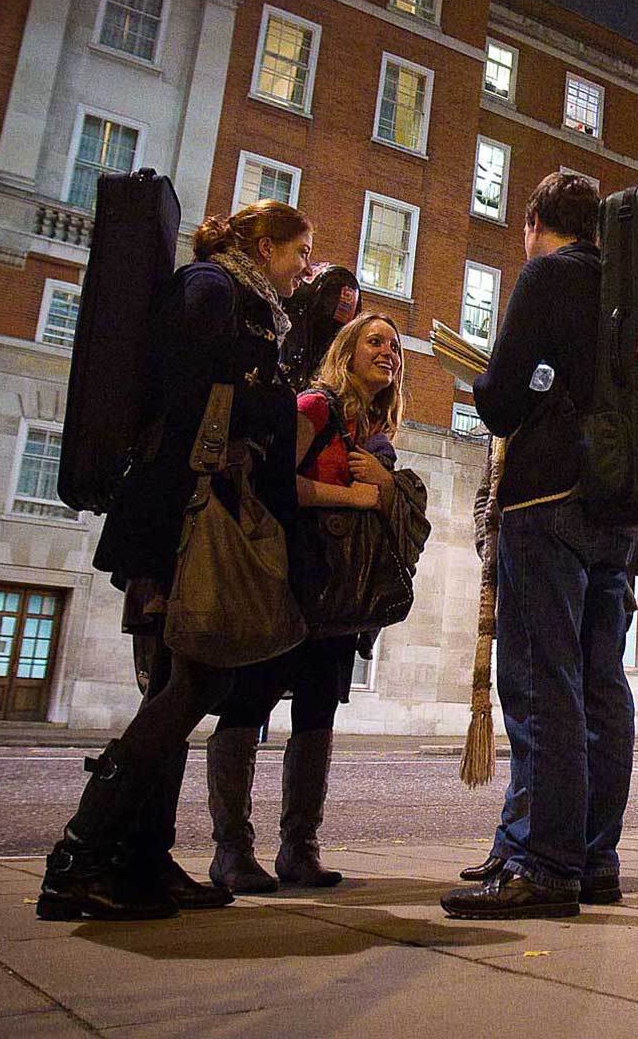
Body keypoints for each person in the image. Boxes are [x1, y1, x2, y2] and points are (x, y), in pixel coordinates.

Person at [36, 199, 313, 921]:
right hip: (179, 513)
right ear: (262, 242)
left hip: (191, 508)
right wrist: (268, 411)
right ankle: (81, 856)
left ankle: (141, 860)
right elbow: (188, 391)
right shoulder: (212, 288)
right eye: (299, 250)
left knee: (175, 686)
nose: (306, 266)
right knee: (189, 685)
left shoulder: (243, 300)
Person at [443, 171, 633, 920]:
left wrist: (492, 382)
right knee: (600, 685)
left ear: (534, 222)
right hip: (615, 509)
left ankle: (543, 863)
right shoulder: (628, 286)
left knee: (538, 680)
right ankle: (592, 856)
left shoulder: (547, 274)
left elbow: (501, 399)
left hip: (546, 497)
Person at [207, 313, 413, 892]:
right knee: (249, 702)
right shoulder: (315, 408)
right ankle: (231, 850)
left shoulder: (370, 429)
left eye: (395, 347)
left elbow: (382, 501)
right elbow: (275, 483)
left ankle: (300, 847)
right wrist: (355, 495)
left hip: (335, 593)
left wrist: (381, 487)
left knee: (317, 712)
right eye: (375, 341)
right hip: (286, 578)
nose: (388, 352)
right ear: (346, 352)